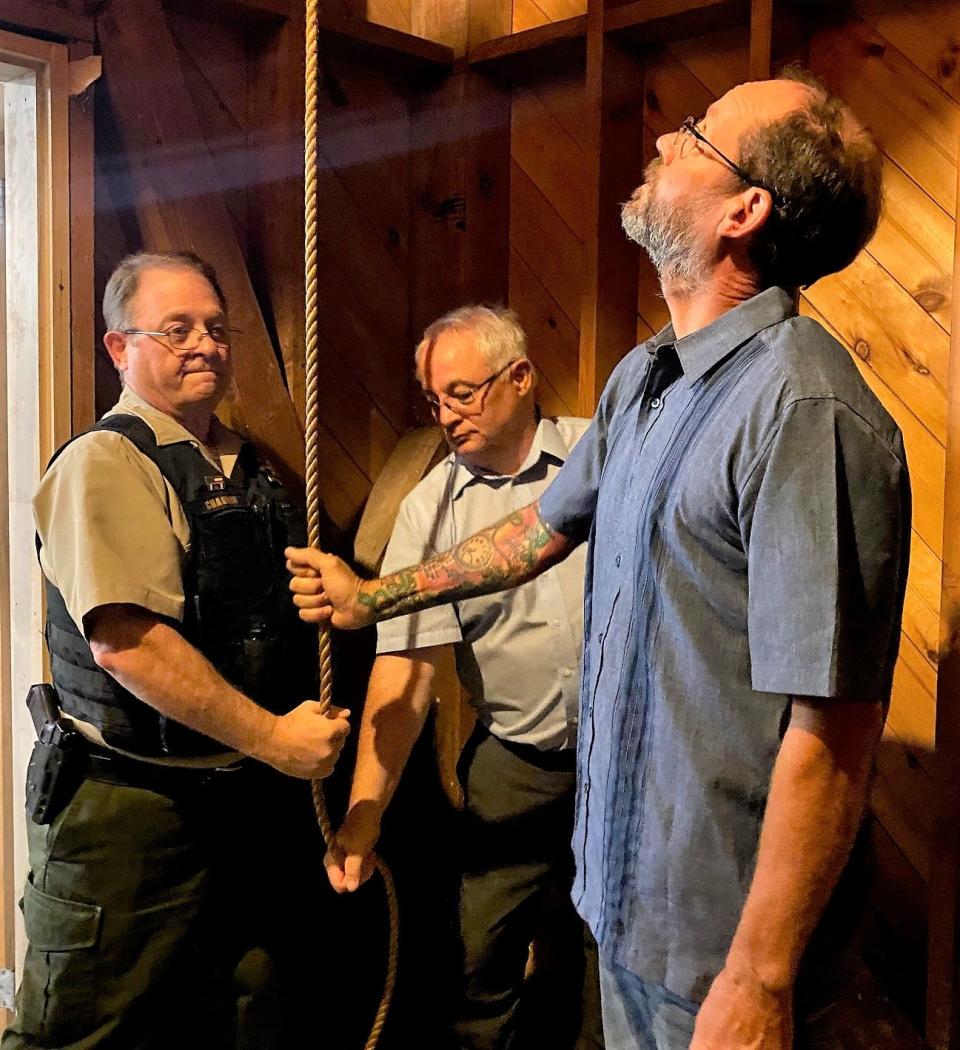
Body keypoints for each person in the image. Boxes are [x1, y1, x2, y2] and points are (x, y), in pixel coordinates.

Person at [286, 72, 910, 1050]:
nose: (666, 138)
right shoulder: (646, 380)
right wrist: (378, 596)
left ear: (744, 210)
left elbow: (835, 728)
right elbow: (534, 534)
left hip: (720, 954)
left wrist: (761, 975)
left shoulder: (803, 411)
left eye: (699, 134)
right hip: (623, 900)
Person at [3, 251, 350, 1050]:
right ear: (119, 348)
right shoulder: (106, 462)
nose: (205, 344)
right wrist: (276, 741)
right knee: (87, 1027)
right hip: (130, 816)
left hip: (243, 806)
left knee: (240, 1012)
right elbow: (128, 645)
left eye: (216, 328)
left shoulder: (250, 466)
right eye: (177, 328)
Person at [324, 305, 602, 1049]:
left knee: (608, 961)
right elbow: (406, 675)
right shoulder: (430, 509)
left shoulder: (598, 457)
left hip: (627, 763)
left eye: (463, 393)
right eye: (435, 399)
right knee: (477, 962)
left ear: (520, 378)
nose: (447, 415)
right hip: (516, 761)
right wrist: (365, 810)